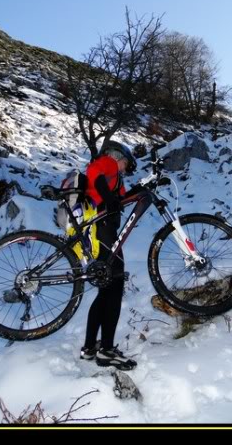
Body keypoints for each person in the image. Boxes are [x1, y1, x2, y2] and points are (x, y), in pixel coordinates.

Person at [80, 140, 140, 370]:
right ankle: (106, 350)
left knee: (105, 291)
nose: (125, 168)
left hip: (101, 231)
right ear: (118, 157)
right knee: (114, 287)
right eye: (125, 162)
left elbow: (123, 198)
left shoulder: (114, 179)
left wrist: (141, 190)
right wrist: (108, 197)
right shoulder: (108, 164)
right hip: (102, 229)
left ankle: (89, 347)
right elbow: (93, 171)